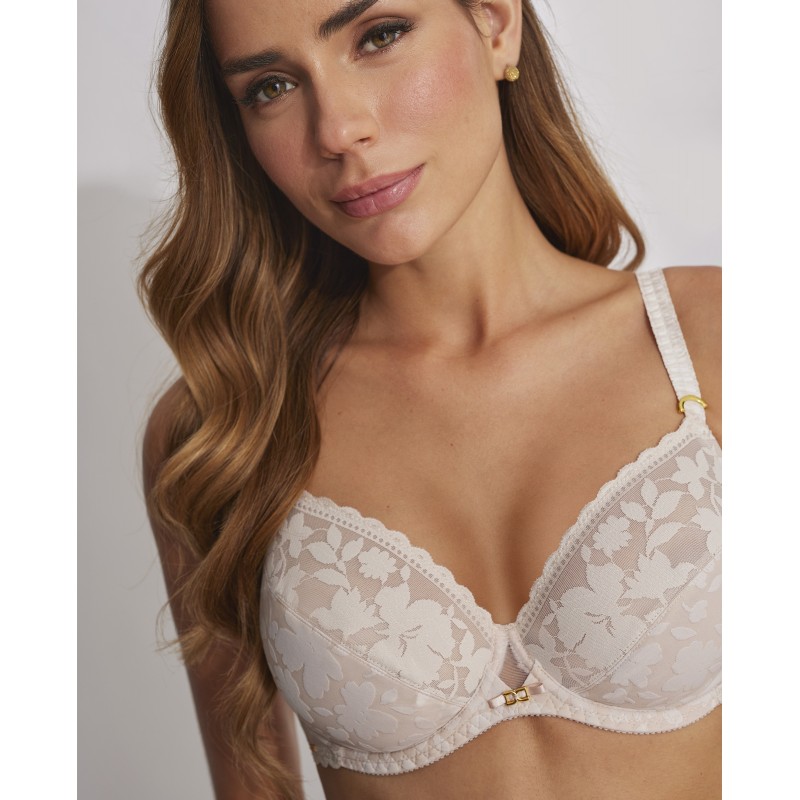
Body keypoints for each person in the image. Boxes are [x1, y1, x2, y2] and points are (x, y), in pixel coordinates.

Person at [141, 1, 721, 798]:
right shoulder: (227, 429)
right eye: (271, 87)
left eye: (378, 36)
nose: (338, 130)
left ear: (496, 23)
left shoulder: (716, 341)